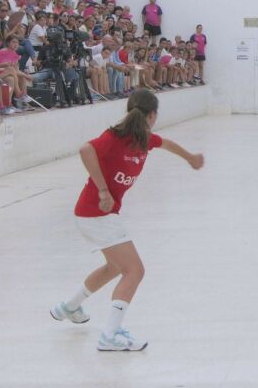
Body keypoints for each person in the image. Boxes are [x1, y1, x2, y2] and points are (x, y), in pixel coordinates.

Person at [50, 88, 204, 351]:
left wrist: (190, 158)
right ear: (153, 114)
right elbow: (86, 150)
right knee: (134, 270)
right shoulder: (115, 137)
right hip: (95, 213)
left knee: (114, 268)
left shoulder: (144, 138)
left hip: (98, 215)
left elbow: (166, 143)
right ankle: (109, 336)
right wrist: (102, 189)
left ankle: (68, 307)